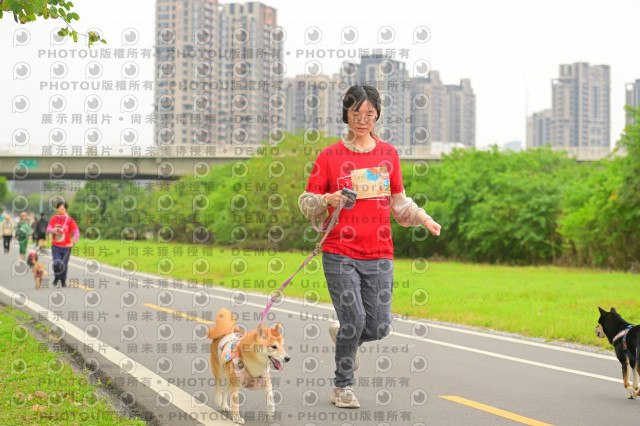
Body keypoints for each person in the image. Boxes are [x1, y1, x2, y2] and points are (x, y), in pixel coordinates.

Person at [298, 85, 441, 408]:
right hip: (339, 252)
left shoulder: (388, 154)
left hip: (379, 253)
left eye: (369, 114)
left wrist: (423, 217)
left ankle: (345, 335)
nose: (362, 120)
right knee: (354, 319)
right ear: (345, 114)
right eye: (356, 114)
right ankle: (343, 387)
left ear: (377, 116)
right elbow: (306, 202)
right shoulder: (329, 156)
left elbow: (399, 203)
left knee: (378, 326)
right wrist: (328, 199)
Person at [47, 202, 79, 288]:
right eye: (59, 208)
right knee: (56, 263)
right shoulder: (54, 218)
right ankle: (57, 277)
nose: (60, 210)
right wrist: (53, 229)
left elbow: (76, 231)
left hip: (66, 247)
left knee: (64, 264)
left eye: (62, 208)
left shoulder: (70, 220)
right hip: (55, 246)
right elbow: (48, 228)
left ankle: (63, 280)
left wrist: (73, 242)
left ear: (66, 209)